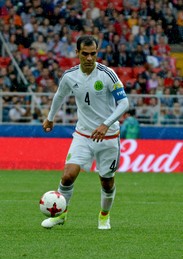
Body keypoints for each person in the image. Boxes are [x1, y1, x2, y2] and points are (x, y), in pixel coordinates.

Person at [42, 35, 129, 230]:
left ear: (97, 53)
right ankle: (61, 215)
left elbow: (124, 103)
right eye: (85, 54)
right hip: (83, 135)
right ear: (77, 53)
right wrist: (50, 117)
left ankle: (104, 216)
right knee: (67, 176)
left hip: (108, 136)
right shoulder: (70, 76)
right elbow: (59, 95)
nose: (89, 58)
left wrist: (106, 124)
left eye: (93, 54)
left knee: (107, 183)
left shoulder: (108, 75)